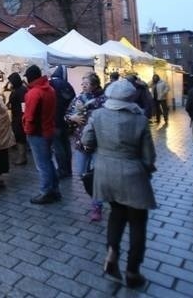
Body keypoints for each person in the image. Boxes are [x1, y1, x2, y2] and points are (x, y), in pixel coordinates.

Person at [81, 79, 157, 288]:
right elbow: (149, 156)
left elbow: (87, 141)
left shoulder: (97, 115)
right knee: (137, 222)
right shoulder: (140, 120)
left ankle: (112, 253)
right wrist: (147, 169)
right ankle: (133, 270)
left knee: (116, 214)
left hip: (106, 174)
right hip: (133, 176)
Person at [66, 73, 107, 221]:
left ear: (95, 85)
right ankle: (97, 195)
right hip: (81, 142)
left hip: (99, 144)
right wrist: (73, 118)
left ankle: (97, 205)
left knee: (97, 176)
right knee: (82, 173)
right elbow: (67, 115)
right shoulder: (78, 98)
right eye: (82, 83)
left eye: (86, 83)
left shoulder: (103, 100)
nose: (82, 86)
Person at [23, 64, 60, 204]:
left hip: (38, 133)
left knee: (42, 164)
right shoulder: (49, 89)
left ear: (31, 77)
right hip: (48, 129)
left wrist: (27, 130)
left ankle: (46, 192)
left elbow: (30, 116)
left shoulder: (33, 93)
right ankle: (54, 189)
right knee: (48, 162)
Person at [49, 66, 76, 178]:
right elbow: (73, 99)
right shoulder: (67, 85)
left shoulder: (51, 84)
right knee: (66, 145)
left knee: (58, 146)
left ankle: (62, 169)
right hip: (66, 120)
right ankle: (68, 169)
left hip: (55, 119)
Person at [7, 72, 28, 165]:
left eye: (11, 82)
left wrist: (23, 116)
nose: (10, 83)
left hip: (20, 117)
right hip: (17, 116)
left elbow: (24, 104)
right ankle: (22, 156)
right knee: (19, 137)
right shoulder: (18, 89)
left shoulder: (21, 90)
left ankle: (22, 157)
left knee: (20, 137)